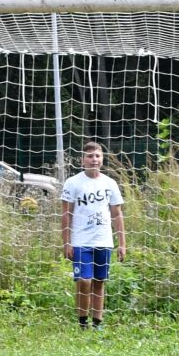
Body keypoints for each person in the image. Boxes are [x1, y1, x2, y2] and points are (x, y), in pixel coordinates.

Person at [60, 140, 127, 329]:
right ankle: (82, 322)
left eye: (97, 156)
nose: (94, 159)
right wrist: (67, 242)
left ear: (102, 159)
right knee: (84, 281)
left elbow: (117, 214)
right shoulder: (73, 183)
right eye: (90, 156)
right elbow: (66, 214)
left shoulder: (110, 183)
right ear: (83, 160)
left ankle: (97, 322)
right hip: (81, 241)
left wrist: (122, 243)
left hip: (103, 241)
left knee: (99, 281)